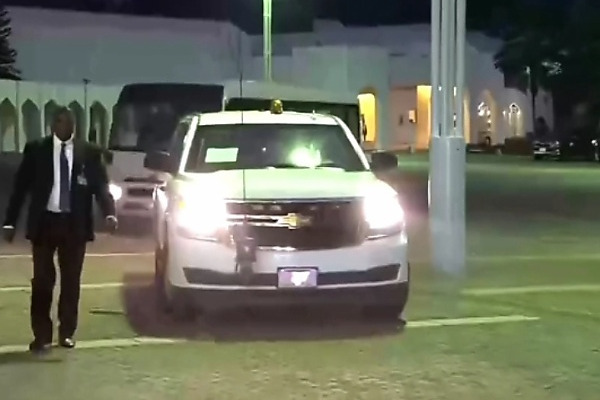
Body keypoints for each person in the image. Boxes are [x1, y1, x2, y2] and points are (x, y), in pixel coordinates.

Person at [2, 107, 118, 355]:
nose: (63, 126)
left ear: (74, 126)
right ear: (52, 125)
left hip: (74, 225)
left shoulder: (88, 152)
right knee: (42, 281)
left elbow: (101, 187)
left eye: (68, 122)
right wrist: (10, 222)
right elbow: (20, 188)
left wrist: (109, 212)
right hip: (44, 223)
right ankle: (41, 335)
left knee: (71, 282)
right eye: (59, 121)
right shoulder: (37, 150)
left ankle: (67, 332)